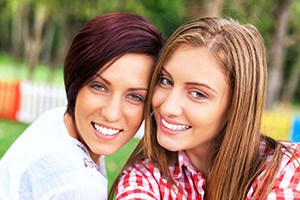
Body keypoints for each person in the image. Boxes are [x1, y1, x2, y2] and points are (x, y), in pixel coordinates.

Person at [110, 17, 300, 199]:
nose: (168, 107)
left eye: (198, 94)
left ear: (236, 107)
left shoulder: (287, 170)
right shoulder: (145, 177)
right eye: (165, 81)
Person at [0, 13, 163, 199]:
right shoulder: (77, 187)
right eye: (99, 87)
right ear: (76, 82)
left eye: (135, 96)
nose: (111, 113)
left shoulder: (58, 121)